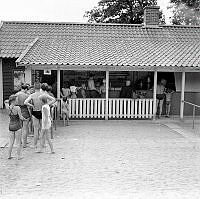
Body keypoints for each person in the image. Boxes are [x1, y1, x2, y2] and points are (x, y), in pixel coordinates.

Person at [24, 83, 55, 152]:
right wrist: (48, 104)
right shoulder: (44, 95)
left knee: (36, 129)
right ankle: (43, 144)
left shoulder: (32, 95)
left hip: (35, 112)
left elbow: (25, 102)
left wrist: (31, 105)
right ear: (40, 87)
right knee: (42, 128)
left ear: (34, 88)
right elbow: (54, 99)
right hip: (42, 113)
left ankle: (35, 144)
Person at [7, 95, 27, 160]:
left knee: (11, 142)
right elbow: (21, 117)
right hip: (17, 125)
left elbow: (6, 101)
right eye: (17, 100)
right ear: (14, 100)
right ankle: (18, 156)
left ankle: (9, 155)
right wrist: (25, 119)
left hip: (11, 125)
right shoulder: (18, 108)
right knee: (18, 142)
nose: (17, 101)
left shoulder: (8, 107)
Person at [16, 84, 31, 148]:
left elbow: (14, 104)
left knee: (19, 128)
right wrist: (30, 114)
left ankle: (19, 142)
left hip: (17, 111)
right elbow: (28, 106)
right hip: (25, 112)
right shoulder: (27, 95)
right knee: (25, 128)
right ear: (25, 89)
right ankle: (24, 144)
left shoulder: (16, 94)